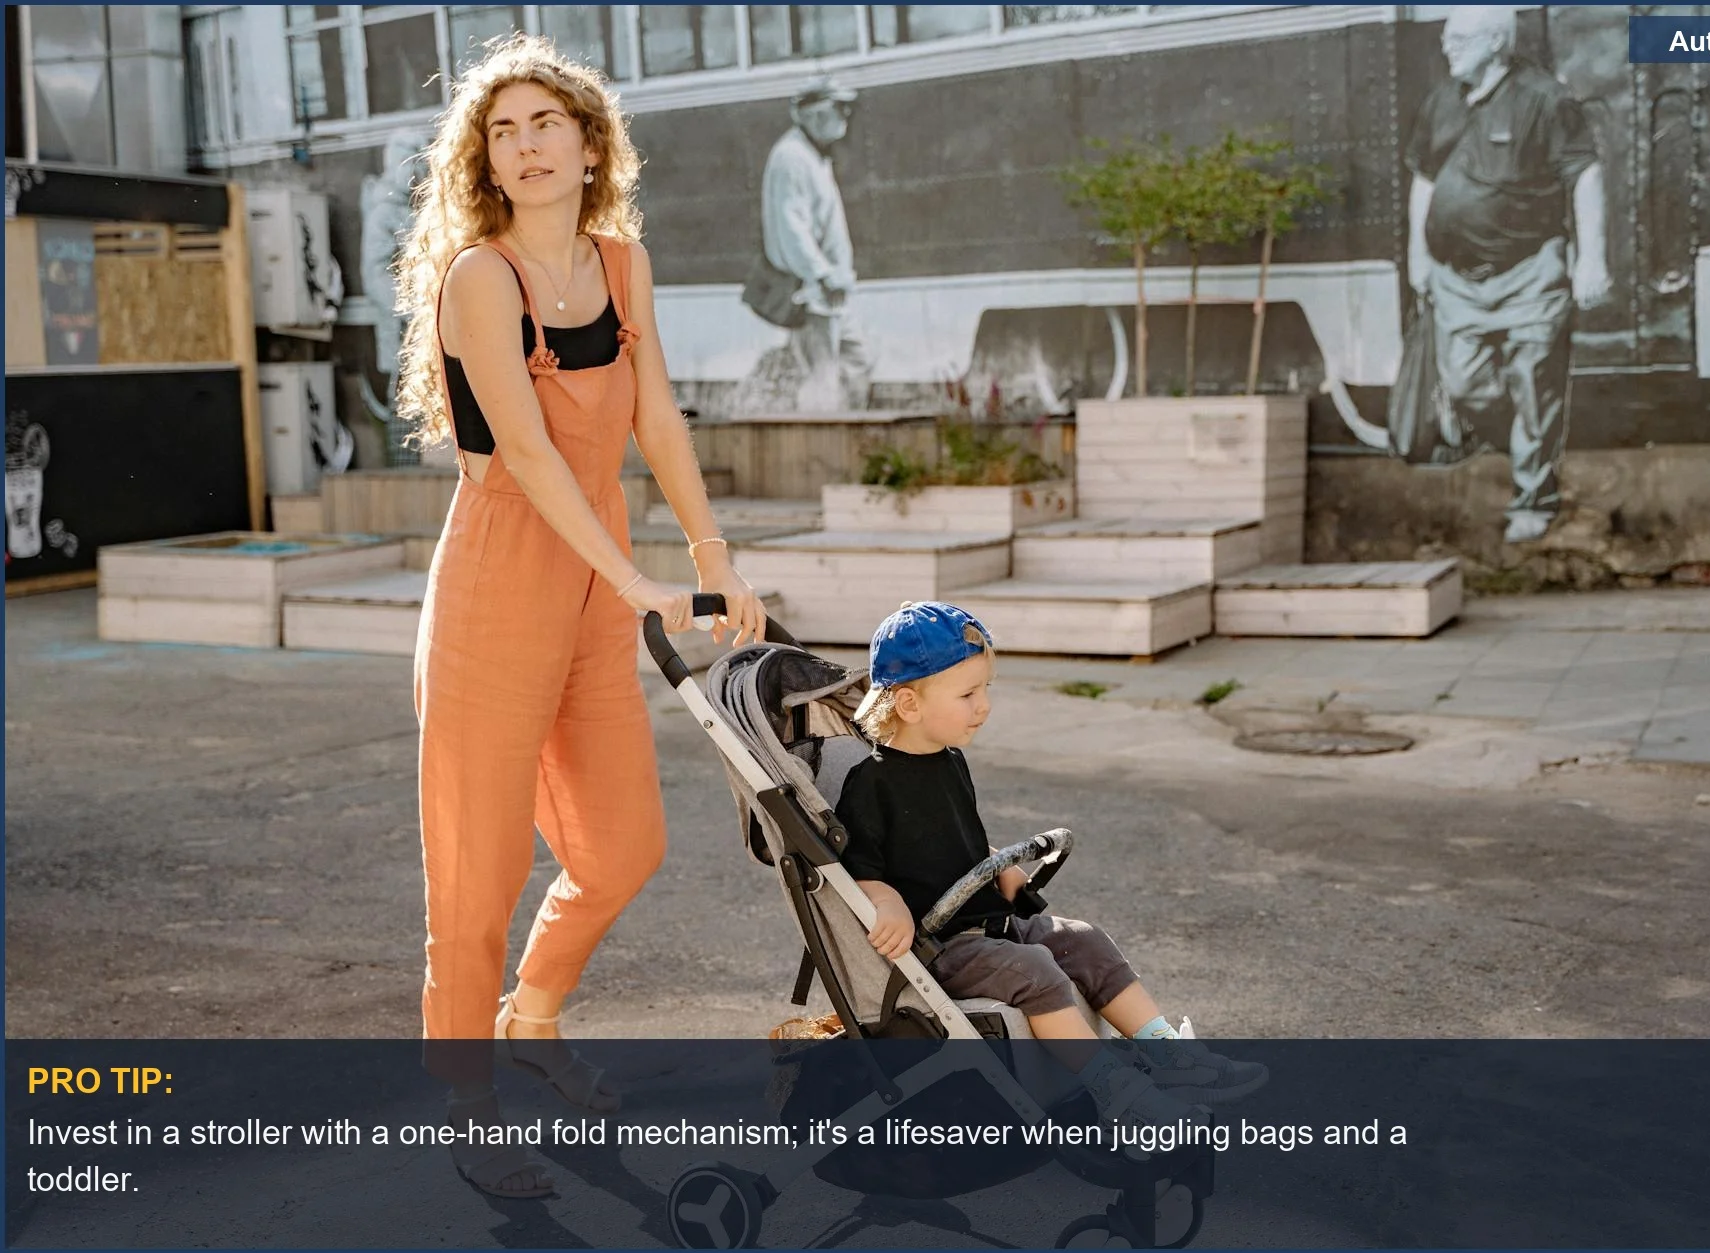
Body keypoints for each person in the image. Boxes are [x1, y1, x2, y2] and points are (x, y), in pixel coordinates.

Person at [390, 33, 768, 1199]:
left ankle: (533, 1013)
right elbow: (532, 459)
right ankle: (470, 1106)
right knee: (479, 869)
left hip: (594, 596)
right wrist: (639, 576)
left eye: (544, 122)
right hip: (498, 590)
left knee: (621, 846)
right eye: (501, 130)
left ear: (590, 142)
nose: (524, 144)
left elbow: (655, 417)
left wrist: (711, 556)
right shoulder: (478, 278)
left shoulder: (621, 262)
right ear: (485, 162)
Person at [836, 602, 1268, 1126]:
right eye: (969, 693)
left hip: (987, 922)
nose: (984, 705)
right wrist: (886, 902)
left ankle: (1170, 1056)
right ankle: (1115, 1089)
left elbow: (949, 836)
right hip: (939, 946)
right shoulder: (871, 783)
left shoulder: (949, 759)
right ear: (908, 703)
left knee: (1083, 939)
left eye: (986, 689)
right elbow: (861, 865)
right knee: (1035, 969)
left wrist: (993, 862)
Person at [1405, 5, 1610, 545]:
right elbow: (1424, 181)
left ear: (1497, 41)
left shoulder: (1546, 99)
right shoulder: (1441, 101)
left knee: (1535, 385)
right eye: (1446, 38)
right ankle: (1524, 441)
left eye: (1460, 39)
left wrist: (1592, 257)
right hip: (1455, 277)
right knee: (1464, 384)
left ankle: (1533, 499)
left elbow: (1585, 175)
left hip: (1530, 271)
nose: (1448, 48)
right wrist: (1417, 255)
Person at [759, 75, 872, 411]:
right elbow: (792, 227)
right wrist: (822, 274)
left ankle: (847, 433)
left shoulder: (809, 155)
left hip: (829, 292)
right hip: (815, 293)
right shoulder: (791, 158)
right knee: (823, 375)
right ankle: (824, 445)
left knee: (856, 360)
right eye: (839, 108)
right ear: (815, 115)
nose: (845, 117)